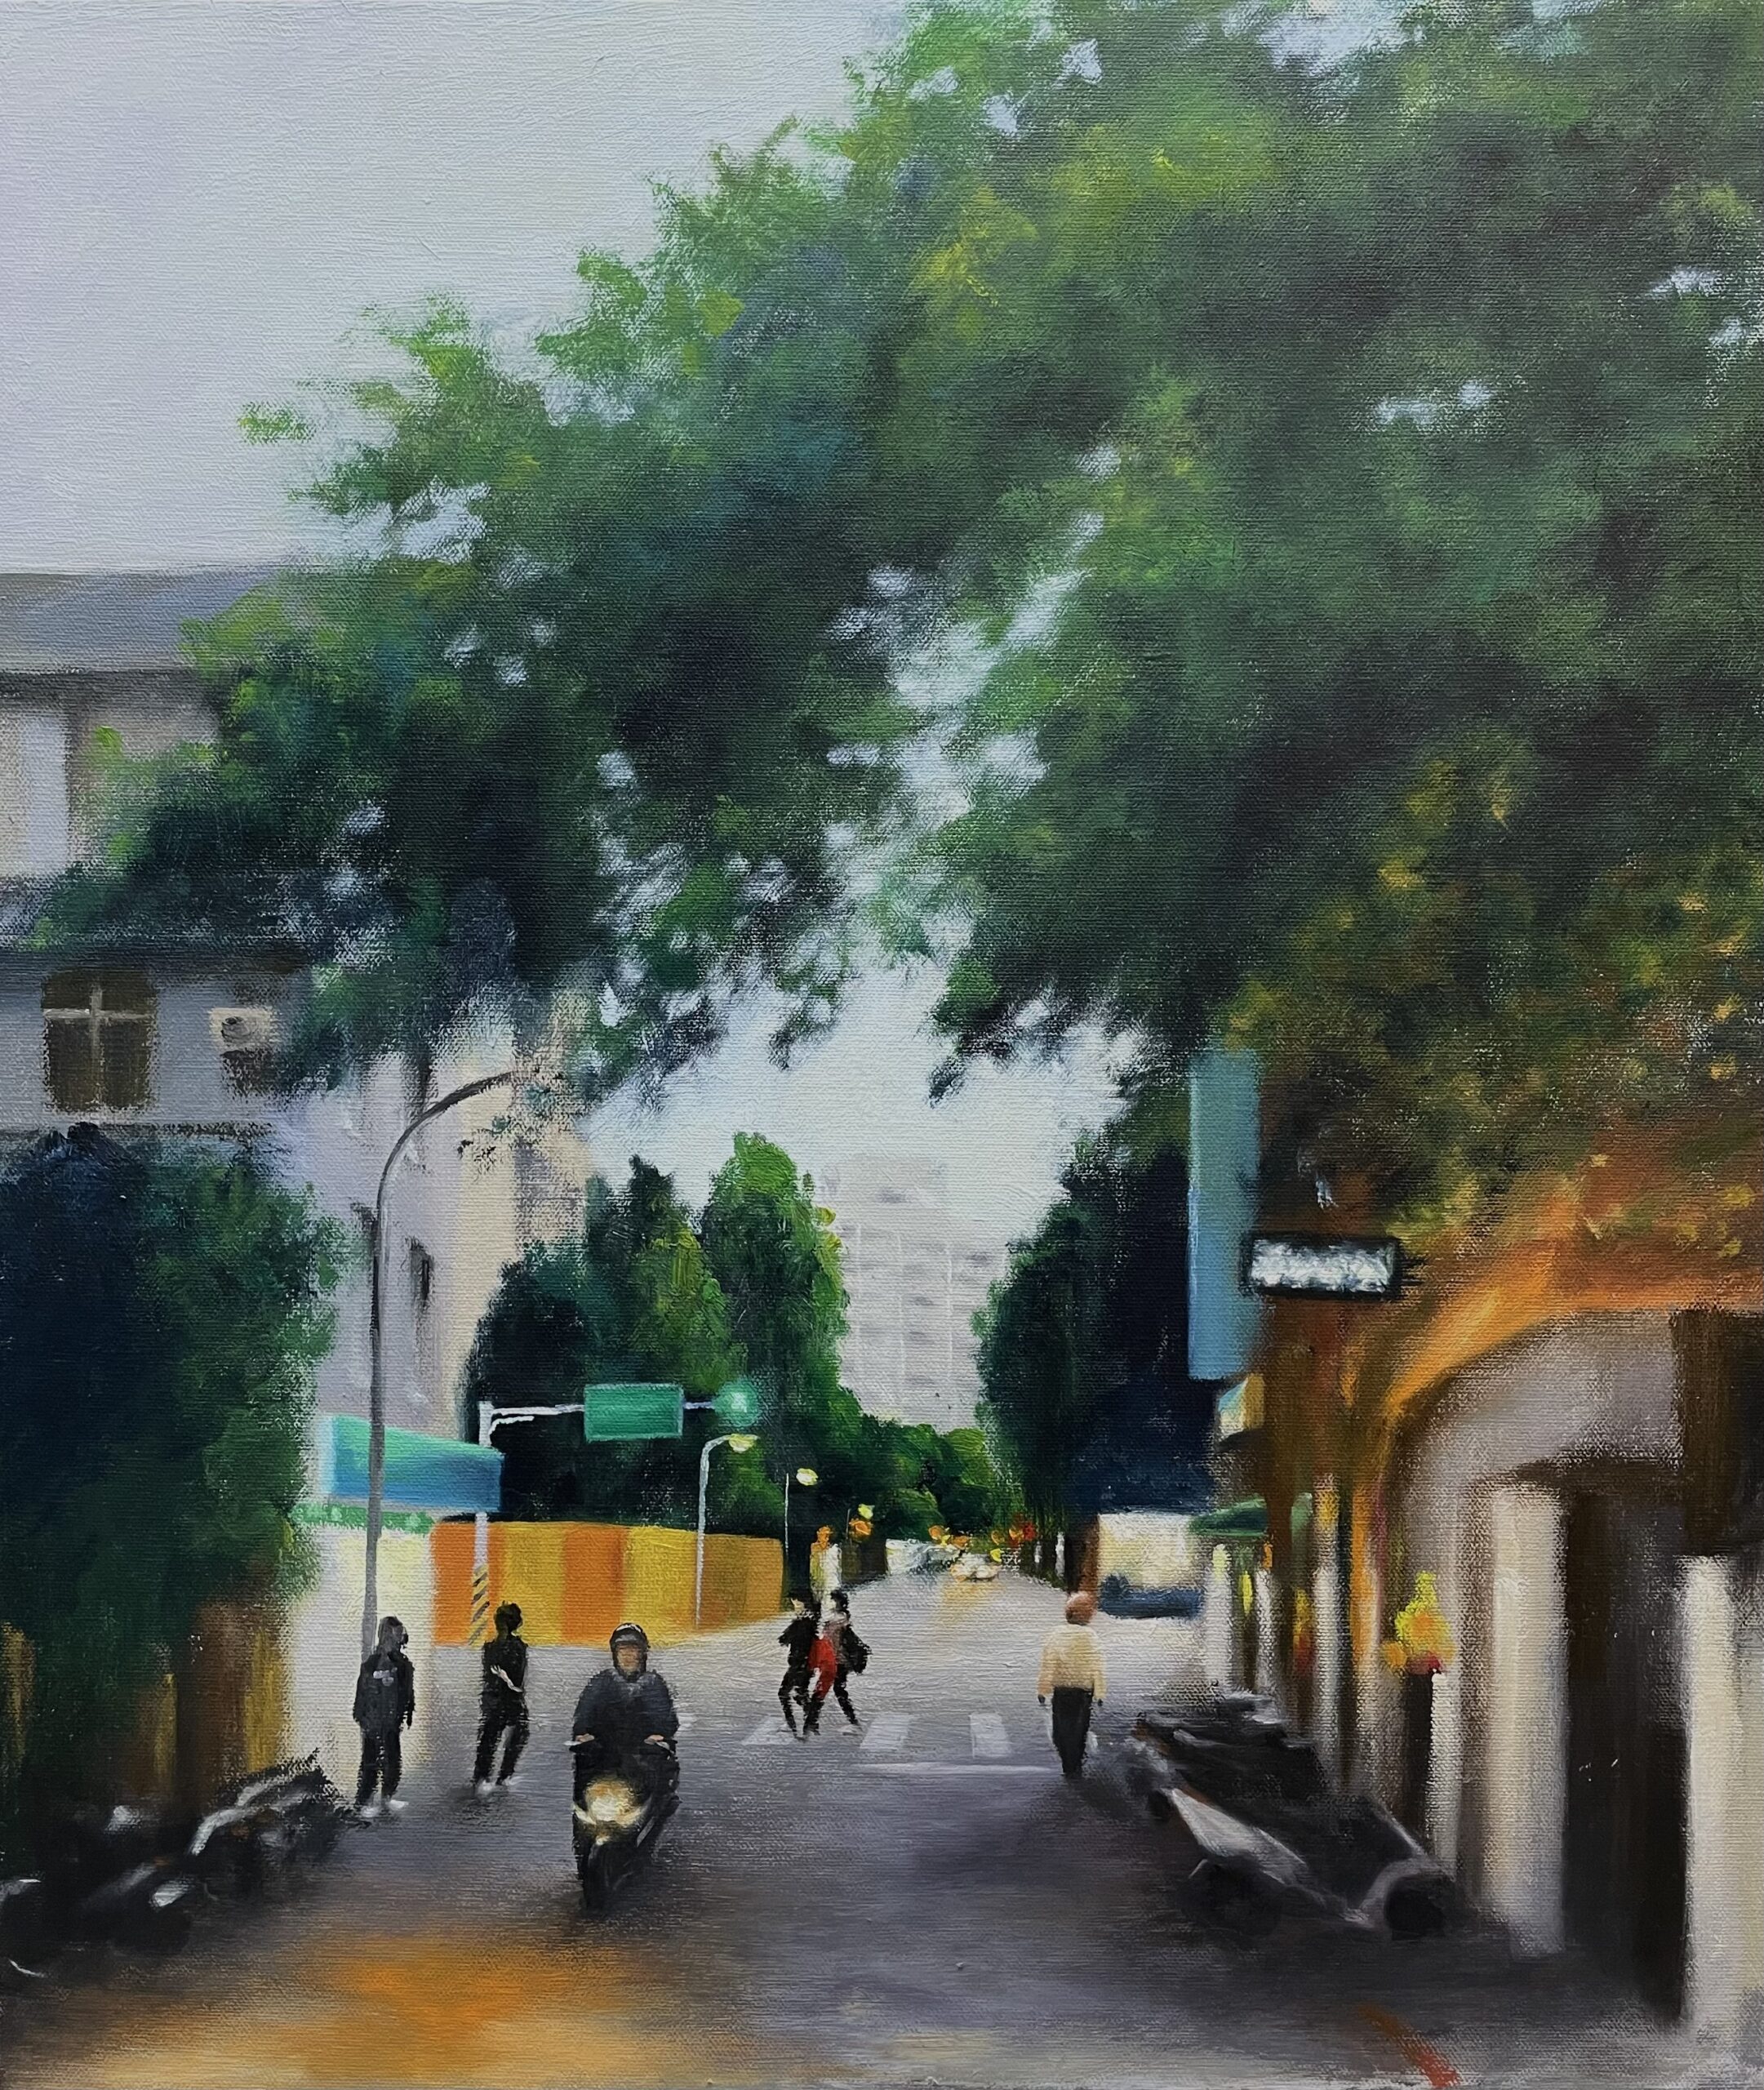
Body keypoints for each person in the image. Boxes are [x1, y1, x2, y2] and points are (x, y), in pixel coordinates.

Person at [571, 1623, 678, 1790]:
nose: (627, 1655)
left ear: (642, 1653)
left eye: (633, 1649)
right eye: (622, 1649)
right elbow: (584, 1714)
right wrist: (582, 1734)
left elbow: (666, 1719)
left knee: (657, 1767)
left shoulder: (653, 1684)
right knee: (585, 1762)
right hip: (604, 1756)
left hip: (643, 1756)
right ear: (615, 1653)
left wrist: (659, 1736)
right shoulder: (601, 1682)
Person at [353, 1615, 415, 1818]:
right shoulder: (371, 1665)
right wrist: (362, 1718)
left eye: (399, 1636)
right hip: (373, 1722)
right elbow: (362, 1693)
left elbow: (408, 1692)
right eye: (395, 1636)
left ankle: (387, 1797)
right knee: (370, 1762)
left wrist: (407, 1713)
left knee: (392, 1759)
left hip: (391, 1723)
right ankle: (363, 1802)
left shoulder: (404, 1665)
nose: (399, 1640)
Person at [1038, 1592, 1106, 1778]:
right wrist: (1100, 1692)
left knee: (1061, 1727)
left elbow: (1049, 1663)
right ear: (1088, 1615)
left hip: (1062, 1690)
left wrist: (1043, 1689)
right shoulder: (1091, 1636)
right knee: (1079, 1728)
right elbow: (1097, 1667)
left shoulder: (1056, 1635)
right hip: (1084, 1691)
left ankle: (1067, 1757)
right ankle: (1074, 1761)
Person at [473, 1601, 529, 1796]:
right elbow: (517, 1683)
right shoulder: (518, 1648)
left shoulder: (490, 1648)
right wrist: (508, 1681)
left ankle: (483, 1777)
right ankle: (504, 1775)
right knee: (518, 1733)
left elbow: (489, 1678)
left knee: (489, 1738)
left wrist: (502, 1680)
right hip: (510, 1700)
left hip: (494, 1700)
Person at [811, 1587, 864, 1735]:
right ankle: (852, 1721)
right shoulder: (841, 1617)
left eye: (831, 1600)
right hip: (838, 1662)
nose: (828, 1603)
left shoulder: (836, 1621)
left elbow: (829, 1643)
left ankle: (812, 1722)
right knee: (836, 1690)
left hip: (836, 1662)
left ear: (836, 1602)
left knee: (824, 1690)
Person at [777, 1590, 819, 1735]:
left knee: (784, 1693)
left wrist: (790, 1633)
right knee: (800, 1693)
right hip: (804, 1664)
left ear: (805, 1605)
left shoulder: (804, 1624)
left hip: (799, 1664)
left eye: (798, 1605)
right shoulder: (806, 1622)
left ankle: (793, 1723)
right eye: (795, 1605)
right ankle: (811, 1721)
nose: (796, 1608)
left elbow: (789, 1640)